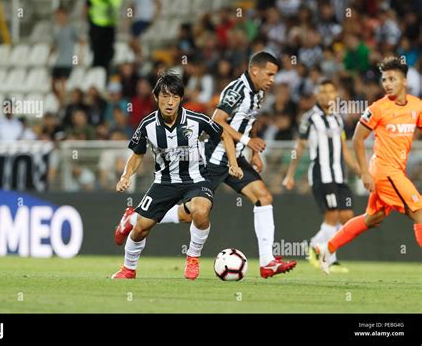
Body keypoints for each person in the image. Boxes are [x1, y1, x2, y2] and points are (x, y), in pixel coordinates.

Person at [115, 52, 297, 279]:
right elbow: (218, 121)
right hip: (212, 159)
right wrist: (249, 141)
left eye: (274, 75)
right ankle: (133, 218)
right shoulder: (236, 91)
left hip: (235, 157)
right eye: (269, 74)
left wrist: (252, 152)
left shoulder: (258, 92)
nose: (272, 79)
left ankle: (267, 261)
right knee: (195, 213)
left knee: (263, 198)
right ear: (255, 71)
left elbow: (250, 119)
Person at [111, 72, 243, 279]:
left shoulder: (196, 119)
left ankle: (192, 257)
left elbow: (225, 134)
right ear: (156, 98)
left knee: (200, 211)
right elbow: (137, 155)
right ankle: (128, 268)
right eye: (164, 96)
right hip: (164, 182)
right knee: (141, 229)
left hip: (196, 178)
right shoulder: (147, 125)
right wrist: (125, 176)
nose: (169, 102)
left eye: (174, 97)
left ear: (181, 99)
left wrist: (233, 164)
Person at [316, 56, 422, 274]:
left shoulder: (416, 106)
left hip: (395, 171)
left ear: (404, 81)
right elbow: (357, 139)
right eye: (384, 79)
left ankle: (327, 248)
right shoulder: (378, 108)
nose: (387, 84)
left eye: (392, 79)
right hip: (384, 172)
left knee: (373, 218)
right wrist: (364, 172)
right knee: (420, 213)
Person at [282, 79, 361, 273]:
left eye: (331, 91)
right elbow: (299, 146)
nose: (327, 95)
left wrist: (360, 170)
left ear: (336, 95)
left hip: (339, 175)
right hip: (321, 175)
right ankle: (330, 259)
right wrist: (290, 175)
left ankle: (313, 245)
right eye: (323, 91)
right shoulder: (310, 118)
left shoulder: (338, 118)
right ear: (317, 95)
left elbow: (344, 149)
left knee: (347, 217)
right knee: (332, 215)